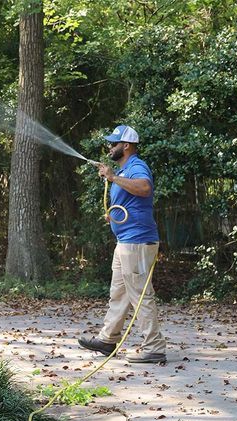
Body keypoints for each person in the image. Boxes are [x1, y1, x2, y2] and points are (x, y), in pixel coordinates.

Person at [78, 124, 166, 363]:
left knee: (140, 294)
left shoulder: (136, 166)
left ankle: (154, 346)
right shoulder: (126, 170)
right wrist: (113, 215)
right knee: (119, 292)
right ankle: (108, 340)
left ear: (126, 146)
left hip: (137, 242)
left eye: (113, 143)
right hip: (125, 241)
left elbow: (145, 188)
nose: (109, 147)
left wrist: (113, 177)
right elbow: (131, 202)